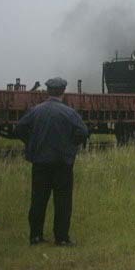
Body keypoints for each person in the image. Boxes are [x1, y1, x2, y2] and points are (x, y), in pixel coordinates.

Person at [15, 77, 89, 246]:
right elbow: (83, 132)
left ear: (48, 91)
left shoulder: (35, 111)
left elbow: (19, 128)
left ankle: (35, 236)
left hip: (40, 162)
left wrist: (31, 143)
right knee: (63, 201)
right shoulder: (69, 113)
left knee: (38, 199)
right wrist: (71, 146)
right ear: (63, 91)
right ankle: (62, 238)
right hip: (63, 163)